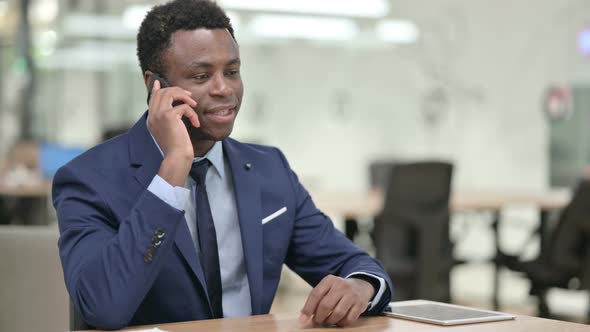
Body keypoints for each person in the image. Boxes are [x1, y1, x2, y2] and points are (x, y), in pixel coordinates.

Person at [53, 0, 392, 329]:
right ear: (155, 86)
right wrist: (173, 168)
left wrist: (359, 287)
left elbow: (353, 264)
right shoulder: (88, 180)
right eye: (201, 76)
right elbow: (103, 307)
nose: (223, 88)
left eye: (232, 72)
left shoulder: (268, 169)